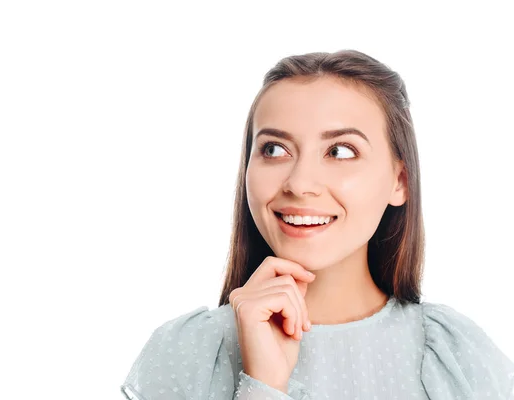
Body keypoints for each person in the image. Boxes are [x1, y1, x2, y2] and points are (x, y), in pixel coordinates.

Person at [119, 49, 514, 399]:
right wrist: (263, 386)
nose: (300, 184)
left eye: (340, 151)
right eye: (274, 149)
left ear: (400, 181)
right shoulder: (188, 351)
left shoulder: (456, 356)